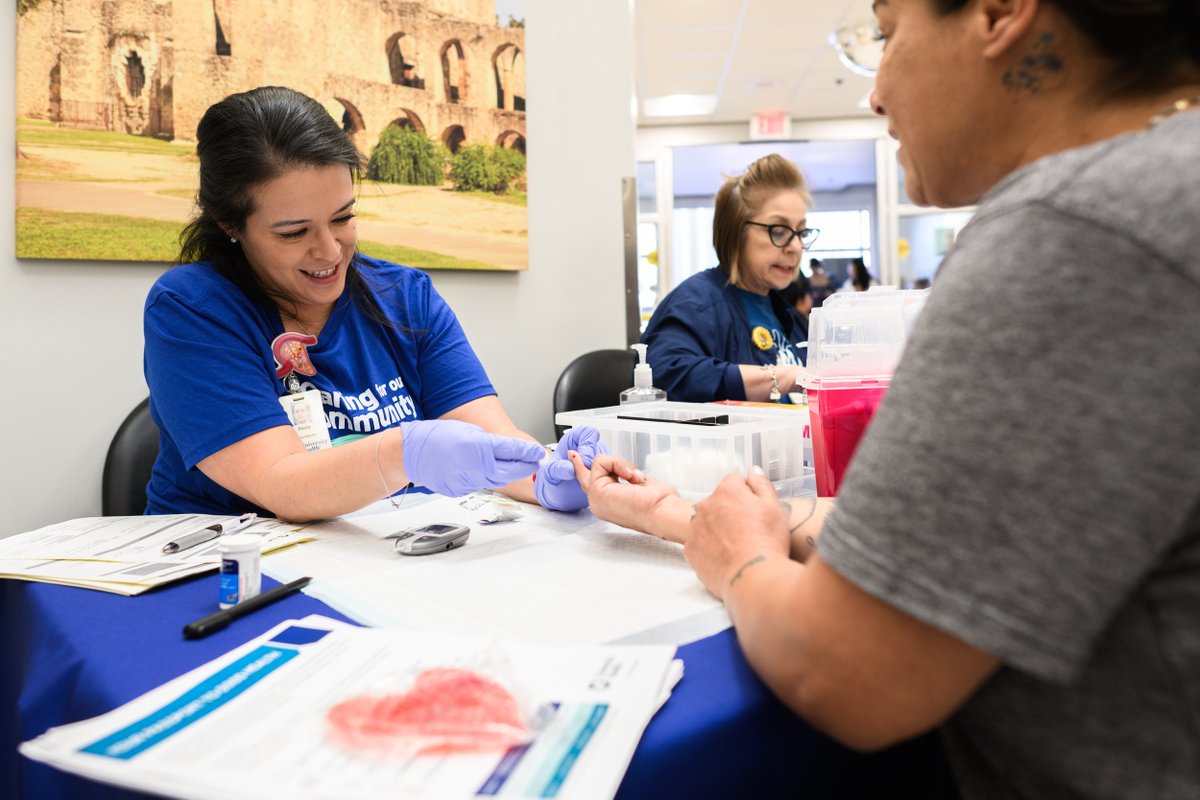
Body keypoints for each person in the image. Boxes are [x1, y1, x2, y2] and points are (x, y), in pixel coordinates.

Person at [572, 1, 1200, 798]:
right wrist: (683, 514)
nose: (874, 92)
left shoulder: (1075, 228)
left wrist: (743, 561)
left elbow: (848, 670)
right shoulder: (1156, 191)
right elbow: (954, 533)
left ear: (1000, 12)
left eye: (888, 32)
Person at [144, 86, 602, 520]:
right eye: (293, 232)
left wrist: (548, 475)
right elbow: (284, 485)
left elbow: (490, 435)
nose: (329, 250)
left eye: (343, 217)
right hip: (233, 569)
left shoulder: (405, 298)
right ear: (231, 224)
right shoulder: (192, 310)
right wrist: (405, 452)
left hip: (389, 553)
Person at [640, 154, 815, 403]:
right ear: (736, 233)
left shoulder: (785, 315)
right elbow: (664, 376)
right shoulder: (697, 302)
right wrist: (781, 378)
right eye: (779, 230)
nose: (795, 246)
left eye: (801, 232)